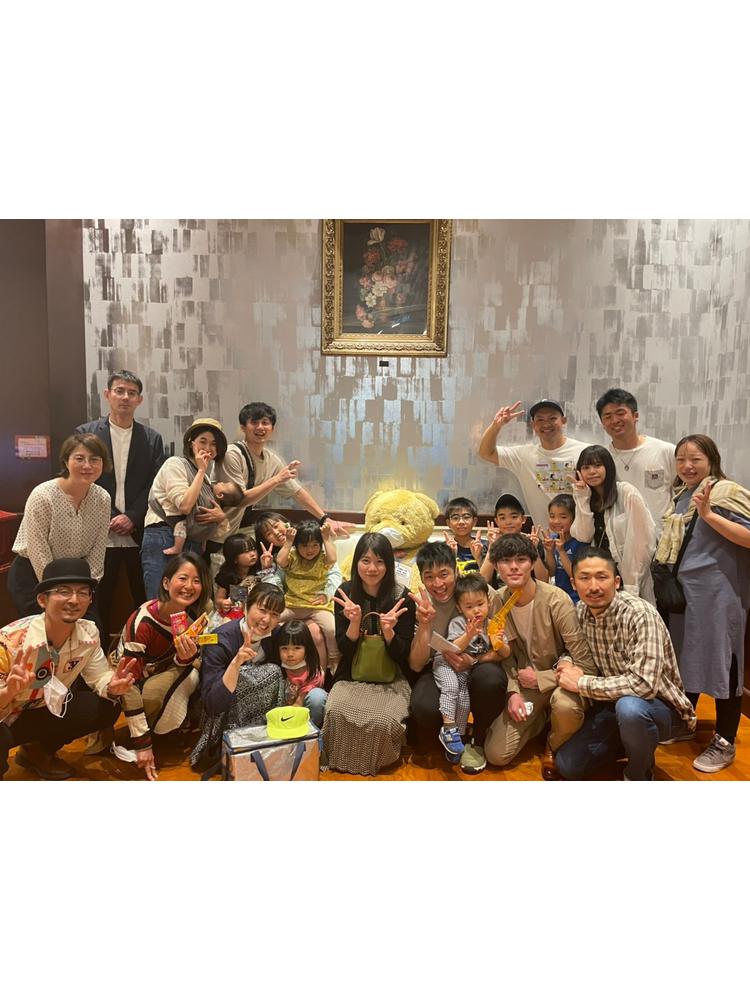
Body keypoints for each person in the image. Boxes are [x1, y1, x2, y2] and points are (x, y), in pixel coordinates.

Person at [555, 548, 697, 781]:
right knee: (567, 765)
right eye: (584, 578)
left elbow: (644, 685)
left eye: (602, 577)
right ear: (573, 583)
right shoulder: (580, 612)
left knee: (630, 709)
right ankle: (631, 743)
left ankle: (638, 775)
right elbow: (570, 650)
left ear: (617, 582)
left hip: (659, 706)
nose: (593, 586)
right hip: (610, 703)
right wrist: (566, 663)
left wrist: (581, 683)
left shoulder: (640, 614)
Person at [654, 434, 750, 773]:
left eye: (695, 459)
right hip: (685, 596)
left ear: (712, 460)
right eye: (681, 459)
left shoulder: (726, 492)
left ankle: (725, 740)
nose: (687, 466)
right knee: (686, 659)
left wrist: (708, 515)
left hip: (719, 596)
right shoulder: (682, 495)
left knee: (723, 664)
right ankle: (686, 721)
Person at [0, 558, 135, 780]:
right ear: (42, 600)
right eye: (63, 591)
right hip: (4, 716)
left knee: (106, 706)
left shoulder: (88, 634)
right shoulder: (9, 641)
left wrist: (112, 686)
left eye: (83, 593)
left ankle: (37, 753)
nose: (74, 600)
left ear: (90, 600)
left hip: (41, 710)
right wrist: (9, 691)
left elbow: (99, 675)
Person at [483, 534, 596, 779]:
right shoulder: (499, 600)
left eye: (521, 560)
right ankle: (541, 720)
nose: (513, 567)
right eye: (505, 561)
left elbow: (585, 663)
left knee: (565, 706)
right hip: (525, 684)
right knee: (495, 754)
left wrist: (542, 679)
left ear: (533, 562)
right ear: (497, 566)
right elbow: (505, 655)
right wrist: (512, 692)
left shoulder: (556, 599)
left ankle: (553, 744)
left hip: (561, 681)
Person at [105, 553, 213, 780]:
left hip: (158, 672)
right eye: (182, 578)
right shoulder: (143, 622)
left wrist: (184, 658)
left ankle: (168, 728)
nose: (189, 586)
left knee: (191, 674)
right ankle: (147, 735)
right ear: (166, 582)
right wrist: (142, 744)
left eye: (196, 581)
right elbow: (127, 682)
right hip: (129, 678)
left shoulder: (190, 621)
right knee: (149, 695)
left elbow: (182, 662)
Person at [76, 369, 165, 640]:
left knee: (144, 599)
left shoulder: (151, 438)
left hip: (140, 532)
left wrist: (133, 516)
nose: (125, 397)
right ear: (107, 395)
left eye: (132, 393)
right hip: (99, 533)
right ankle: (96, 656)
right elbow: (82, 477)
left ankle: (143, 653)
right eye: (119, 391)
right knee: (98, 601)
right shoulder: (87, 434)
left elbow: (155, 482)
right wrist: (111, 515)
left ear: (139, 399)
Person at [408, 541, 508, 774]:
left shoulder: (481, 593)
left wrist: (473, 660)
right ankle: (452, 736)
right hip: (439, 666)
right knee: (424, 707)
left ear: (456, 570)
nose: (438, 584)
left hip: (479, 663)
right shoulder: (422, 604)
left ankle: (478, 739)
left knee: (491, 680)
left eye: (444, 574)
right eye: (429, 577)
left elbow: (501, 644)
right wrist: (424, 625)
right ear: (422, 579)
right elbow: (416, 665)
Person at [323, 532, 416, 776]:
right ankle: (342, 760)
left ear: (389, 564)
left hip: (392, 676)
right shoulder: (345, 594)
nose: (372, 568)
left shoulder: (402, 597)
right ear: (356, 563)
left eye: (379, 561)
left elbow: (403, 654)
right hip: (352, 673)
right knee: (335, 712)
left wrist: (389, 632)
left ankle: (377, 762)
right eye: (365, 561)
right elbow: (344, 649)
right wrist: (354, 623)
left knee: (383, 721)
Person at [9, 434, 112, 627]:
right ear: (66, 461)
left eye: (94, 459)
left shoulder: (103, 498)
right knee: (44, 635)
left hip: (79, 578)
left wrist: (86, 589)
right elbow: (38, 551)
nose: (87, 465)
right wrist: (57, 592)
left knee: (89, 631)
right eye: (79, 458)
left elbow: (98, 549)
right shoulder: (43, 495)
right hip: (34, 575)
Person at [218, 401, 354, 539]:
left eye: (265, 422)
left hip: (237, 532)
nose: (260, 427)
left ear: (272, 428)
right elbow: (240, 500)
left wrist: (325, 519)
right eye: (254, 422)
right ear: (243, 427)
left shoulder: (271, 458)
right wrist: (277, 479)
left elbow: (297, 492)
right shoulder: (232, 454)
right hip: (216, 532)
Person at [190, 581, 287, 772]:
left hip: (262, 722)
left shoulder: (276, 636)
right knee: (267, 672)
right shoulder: (219, 639)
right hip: (224, 718)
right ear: (245, 607)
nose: (267, 619)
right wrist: (235, 664)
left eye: (275, 614)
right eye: (262, 610)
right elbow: (212, 704)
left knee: (274, 672)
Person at [141, 418, 233, 599]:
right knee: (161, 600)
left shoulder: (207, 479)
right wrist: (201, 470)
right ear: (191, 443)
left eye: (214, 444)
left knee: (185, 602)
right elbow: (184, 505)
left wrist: (220, 516)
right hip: (165, 536)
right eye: (203, 441)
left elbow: (218, 527)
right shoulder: (175, 464)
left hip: (194, 543)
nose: (208, 448)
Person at [477, 398, 589, 528]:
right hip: (544, 537)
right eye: (540, 419)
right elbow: (486, 453)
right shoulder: (523, 456)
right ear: (533, 425)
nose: (546, 424)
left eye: (552, 418)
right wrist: (496, 425)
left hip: (583, 536)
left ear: (563, 421)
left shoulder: (584, 451)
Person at [432, 573, 509, 762]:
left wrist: (498, 643)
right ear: (459, 608)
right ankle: (448, 729)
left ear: (488, 601)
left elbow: (505, 653)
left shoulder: (493, 624)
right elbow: (453, 649)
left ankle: (456, 742)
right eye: (469, 606)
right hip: (447, 663)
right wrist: (469, 635)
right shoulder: (459, 623)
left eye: (480, 604)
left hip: (465, 670)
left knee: (464, 700)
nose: (476, 610)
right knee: (451, 688)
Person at [570, 445, 657, 601]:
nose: (591, 471)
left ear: (608, 467)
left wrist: (631, 584)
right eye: (586, 467)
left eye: (598, 465)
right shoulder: (585, 496)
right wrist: (582, 497)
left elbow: (643, 541)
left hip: (629, 578)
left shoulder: (626, 493)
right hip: (601, 575)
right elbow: (583, 535)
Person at [596, 387, 675, 531]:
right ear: (602, 423)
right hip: (620, 540)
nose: (615, 420)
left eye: (620, 413)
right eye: (607, 417)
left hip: (661, 538)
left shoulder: (666, 451)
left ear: (635, 416)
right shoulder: (601, 459)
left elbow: (682, 493)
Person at [275, 519, 340, 672]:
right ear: (297, 545)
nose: (310, 550)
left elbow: (333, 558)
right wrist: (288, 542)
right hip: (293, 604)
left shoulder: (323, 558)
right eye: (304, 545)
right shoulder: (292, 557)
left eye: (315, 545)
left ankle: (334, 658)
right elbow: (280, 561)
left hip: (317, 605)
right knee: (271, 619)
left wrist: (326, 538)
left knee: (331, 629)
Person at [268, 619, 327, 729]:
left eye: (297, 648)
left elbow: (299, 704)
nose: (290, 654)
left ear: (307, 648)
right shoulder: (275, 669)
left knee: (318, 696)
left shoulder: (314, 671)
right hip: (279, 717)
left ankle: (310, 730)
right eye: (284, 648)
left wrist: (299, 702)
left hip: (303, 715)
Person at [213, 534, 280, 618]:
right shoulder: (226, 575)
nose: (252, 554)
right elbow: (218, 599)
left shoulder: (260, 568)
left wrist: (266, 568)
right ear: (234, 558)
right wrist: (223, 602)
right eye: (246, 551)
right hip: (236, 614)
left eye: (253, 549)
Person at [541, 493, 584, 604]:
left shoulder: (580, 542)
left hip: (577, 598)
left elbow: (576, 576)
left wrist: (561, 551)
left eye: (563, 517)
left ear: (574, 518)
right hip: (559, 597)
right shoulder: (552, 538)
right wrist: (549, 552)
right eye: (552, 516)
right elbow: (551, 572)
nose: (556, 521)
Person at [442, 496, 486, 574]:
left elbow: (489, 579)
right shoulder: (443, 549)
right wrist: (451, 555)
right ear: (448, 523)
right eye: (455, 518)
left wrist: (478, 557)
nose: (461, 522)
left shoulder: (485, 546)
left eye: (466, 517)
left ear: (474, 521)